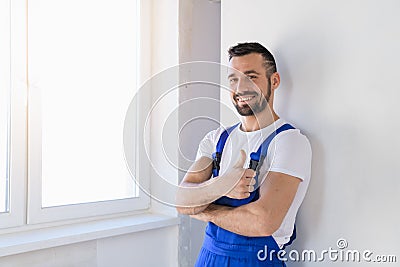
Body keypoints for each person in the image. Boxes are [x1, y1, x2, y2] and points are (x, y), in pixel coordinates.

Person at [176, 42, 312, 266]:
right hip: (208, 258)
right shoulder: (217, 138)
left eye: (251, 76)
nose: (240, 88)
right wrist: (222, 186)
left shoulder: (289, 142)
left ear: (274, 81)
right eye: (233, 79)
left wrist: (204, 208)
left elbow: (263, 222)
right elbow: (182, 201)